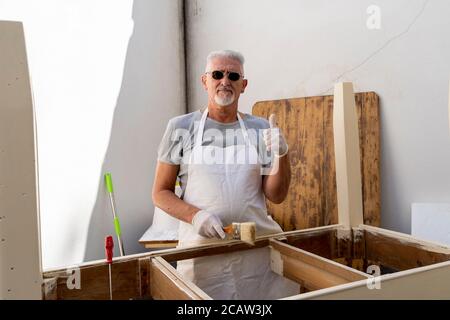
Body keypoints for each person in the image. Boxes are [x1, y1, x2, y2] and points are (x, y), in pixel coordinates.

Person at [152, 50, 299, 299]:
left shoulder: (261, 128)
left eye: (233, 76)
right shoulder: (181, 127)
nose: (225, 81)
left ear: (243, 85)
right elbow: (160, 192)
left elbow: (276, 195)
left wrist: (283, 156)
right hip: (202, 255)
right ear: (205, 81)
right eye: (217, 74)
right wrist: (196, 216)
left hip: (257, 253)